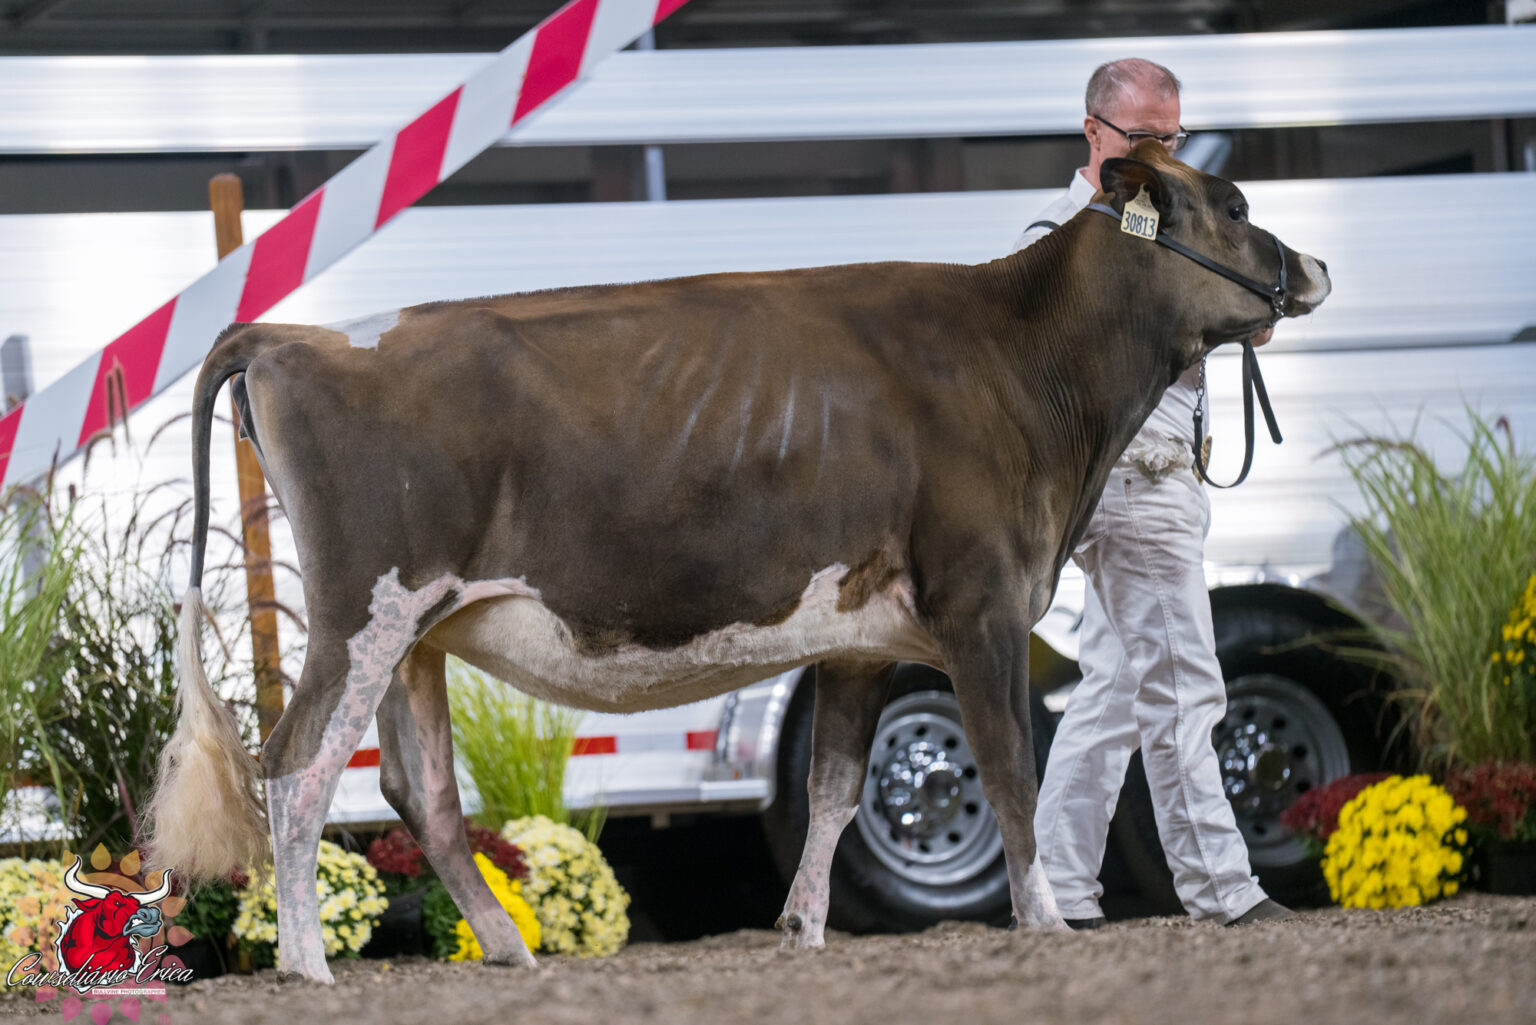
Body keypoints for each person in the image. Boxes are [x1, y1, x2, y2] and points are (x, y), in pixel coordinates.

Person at [1016, 58, 1291, 928]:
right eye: (1145, 139)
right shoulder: (1061, 231)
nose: (1165, 156)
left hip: (1141, 473)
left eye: (1174, 138)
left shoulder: (1163, 219)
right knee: (1183, 682)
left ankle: (1058, 889)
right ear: (1094, 131)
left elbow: (1235, 306)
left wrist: (1240, 308)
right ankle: (1222, 890)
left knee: (1113, 688)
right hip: (1135, 474)